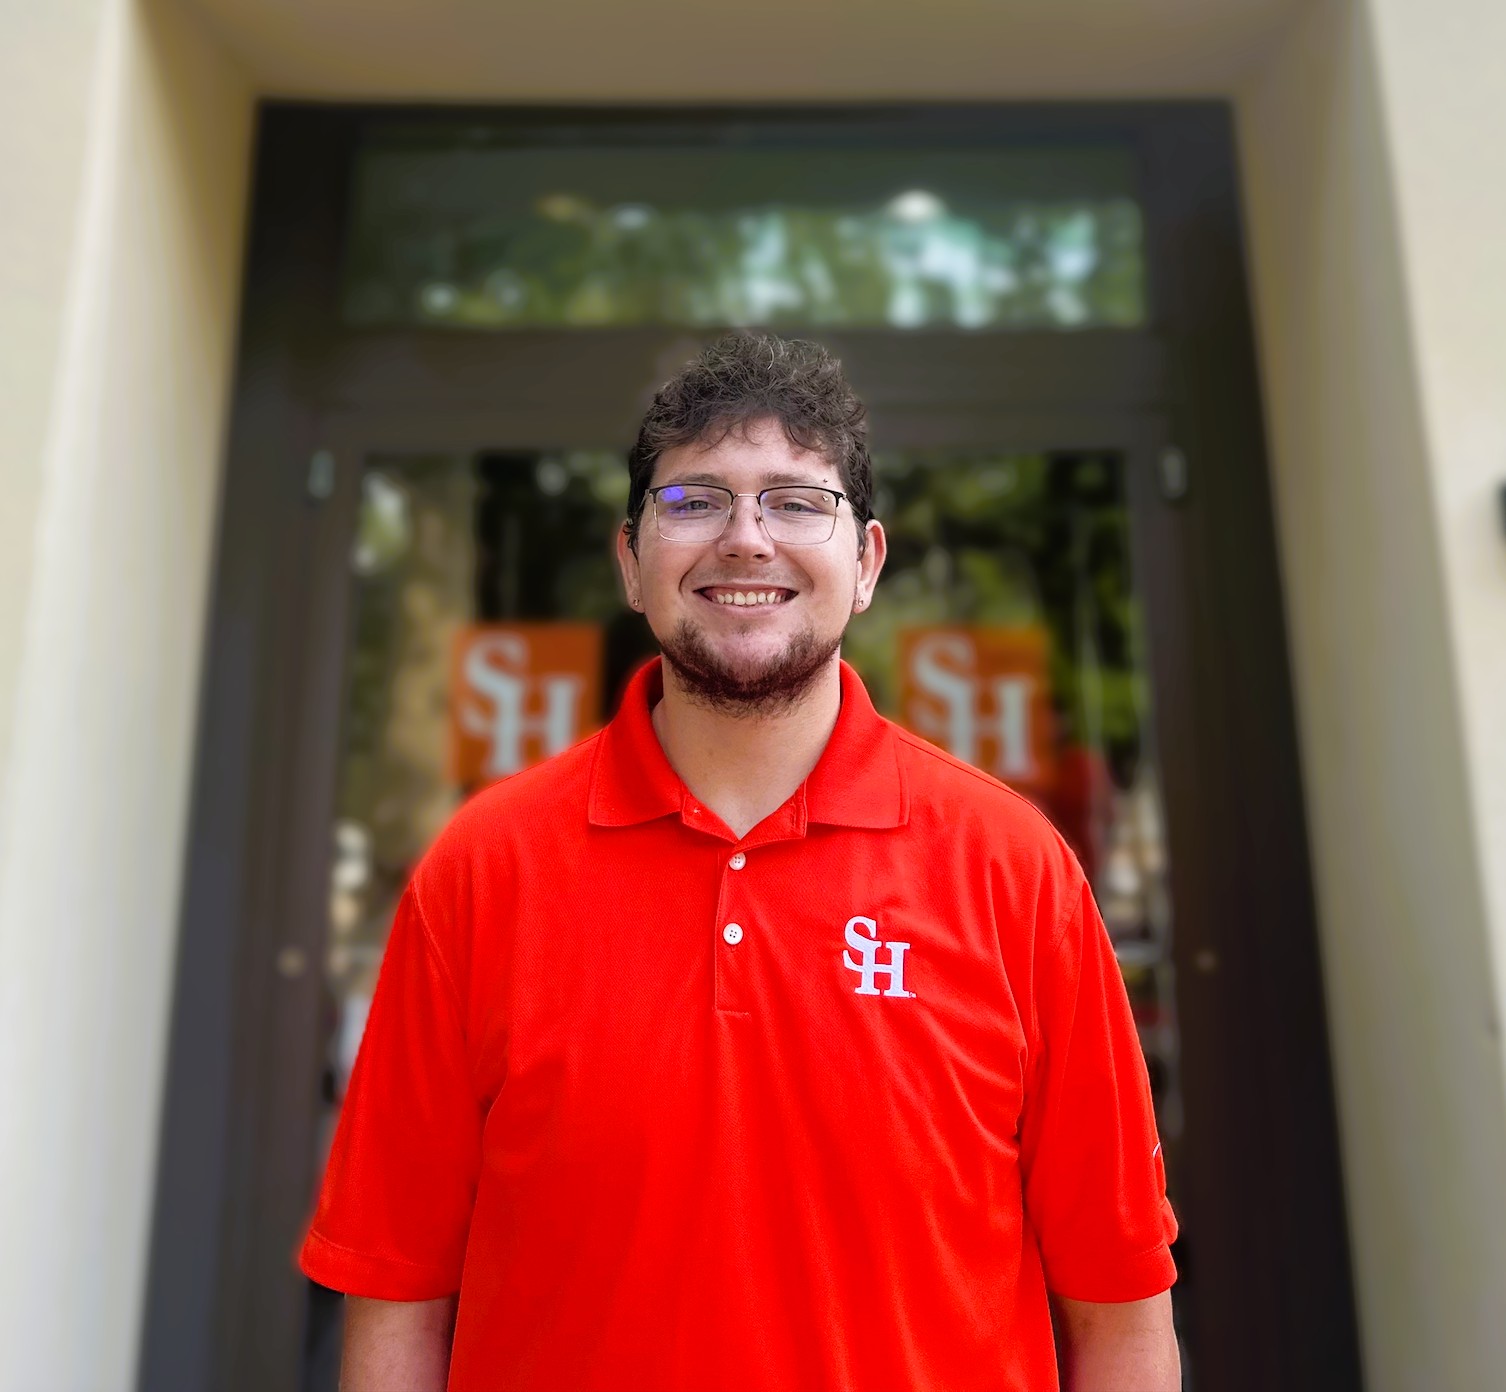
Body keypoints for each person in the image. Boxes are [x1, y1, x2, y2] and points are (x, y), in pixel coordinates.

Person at [300, 331, 1180, 1391]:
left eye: (798, 501)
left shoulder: (1014, 869)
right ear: (632, 563)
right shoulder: (482, 870)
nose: (746, 539)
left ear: (866, 565)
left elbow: (1120, 1311)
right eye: (694, 501)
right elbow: (395, 1295)